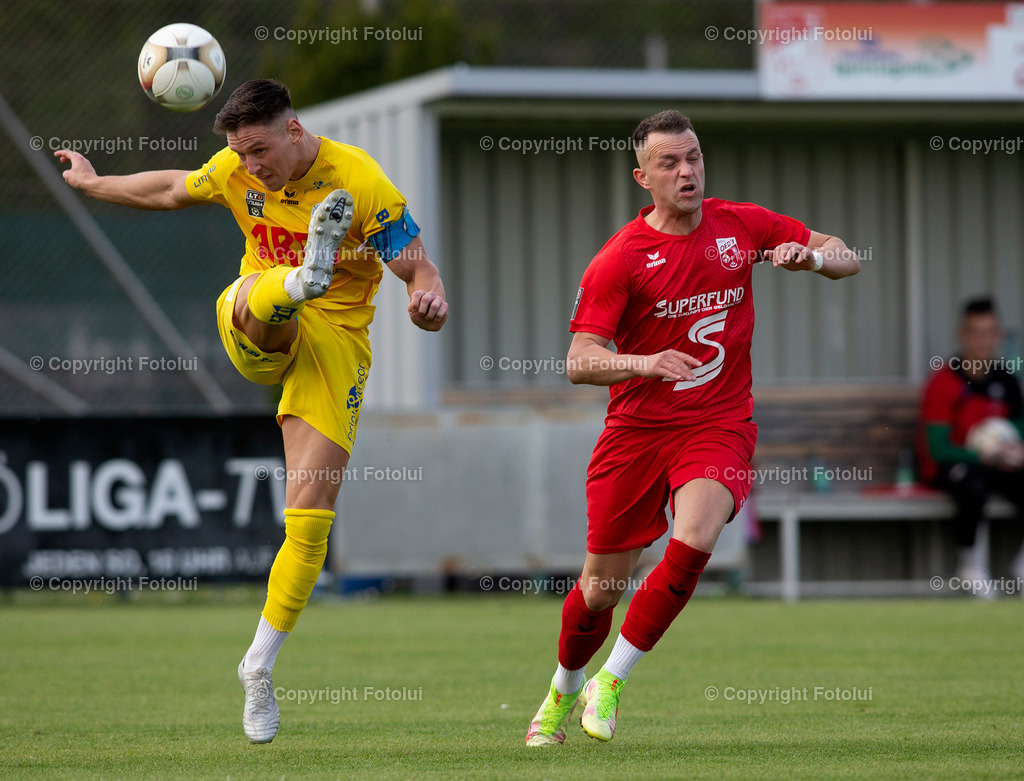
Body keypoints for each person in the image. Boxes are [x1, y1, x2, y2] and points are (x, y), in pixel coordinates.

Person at [56, 79, 448, 744]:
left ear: (295, 131)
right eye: (242, 153)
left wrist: (429, 299)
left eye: (260, 150)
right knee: (261, 298)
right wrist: (95, 184)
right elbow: (172, 189)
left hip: (337, 342)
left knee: (311, 520)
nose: (251, 165)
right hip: (253, 318)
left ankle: (258, 664)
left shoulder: (359, 178)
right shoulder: (237, 169)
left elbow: (418, 269)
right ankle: (298, 280)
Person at [525, 110, 859, 746]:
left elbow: (846, 258)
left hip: (719, 422)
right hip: (636, 433)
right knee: (599, 591)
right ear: (642, 177)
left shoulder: (742, 226)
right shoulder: (618, 259)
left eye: (694, 158)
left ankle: (613, 680)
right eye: (670, 163)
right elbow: (579, 362)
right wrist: (643, 362)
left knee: (697, 534)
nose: (687, 172)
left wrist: (812, 260)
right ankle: (563, 688)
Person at [918, 296, 1024, 584]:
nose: (982, 340)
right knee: (973, 484)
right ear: (962, 335)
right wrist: (983, 456)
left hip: (997, 465)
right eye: (975, 332)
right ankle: (971, 567)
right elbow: (937, 449)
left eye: (989, 332)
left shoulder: (1007, 381)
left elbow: (1018, 428)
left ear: (999, 336)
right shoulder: (944, 382)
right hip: (952, 466)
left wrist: (1014, 451)